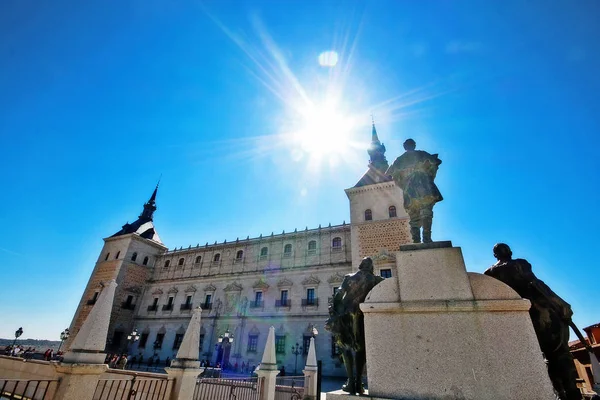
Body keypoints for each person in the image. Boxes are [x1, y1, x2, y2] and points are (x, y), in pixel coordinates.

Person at [484, 243, 582, 400]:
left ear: (495, 255)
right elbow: (537, 284)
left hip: (512, 318)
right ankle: (571, 393)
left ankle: (558, 392)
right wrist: (560, 303)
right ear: (509, 251)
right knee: (560, 353)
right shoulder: (519, 264)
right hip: (539, 310)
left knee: (543, 358)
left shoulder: (489, 273)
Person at [325, 257, 384, 394]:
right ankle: (358, 383)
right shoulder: (375, 280)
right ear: (371, 267)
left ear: (360, 265)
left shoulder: (349, 277)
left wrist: (333, 312)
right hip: (361, 316)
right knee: (360, 349)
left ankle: (350, 381)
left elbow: (338, 295)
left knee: (345, 348)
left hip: (344, 316)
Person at [385, 138, 443, 243]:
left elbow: (392, 175)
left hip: (409, 190)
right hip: (424, 187)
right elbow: (435, 163)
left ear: (404, 146)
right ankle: (427, 238)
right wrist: (429, 176)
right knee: (426, 213)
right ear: (414, 145)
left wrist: (403, 184)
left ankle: (416, 240)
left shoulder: (399, 160)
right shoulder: (422, 154)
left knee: (414, 217)